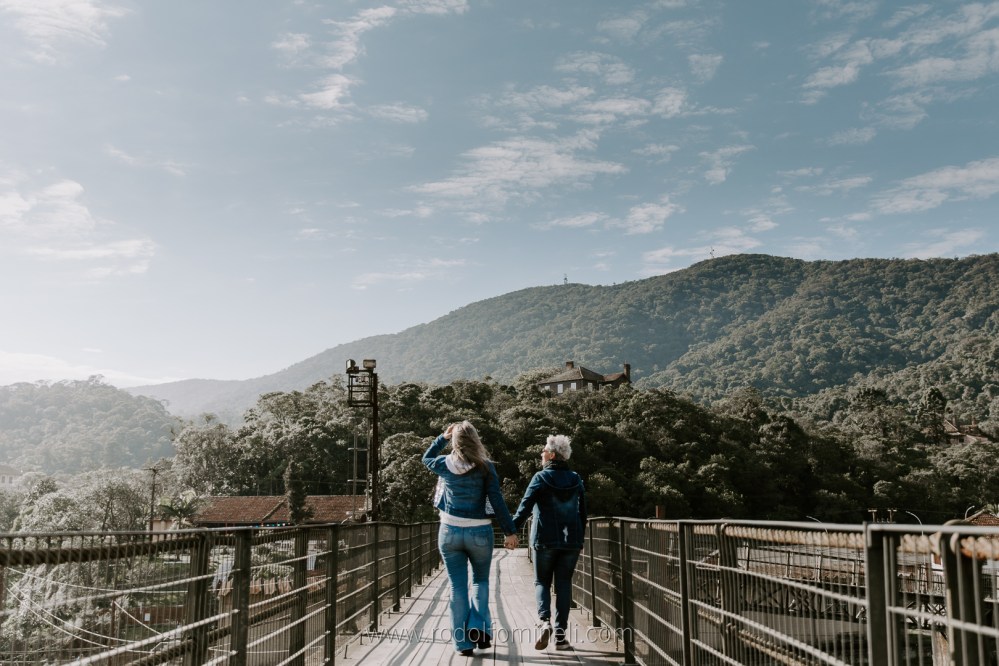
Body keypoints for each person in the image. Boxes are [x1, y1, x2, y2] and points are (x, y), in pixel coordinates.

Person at [423, 421, 519, 656]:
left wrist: (442, 438)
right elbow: (497, 500)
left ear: (455, 441)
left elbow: (426, 458)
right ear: (476, 439)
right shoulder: (486, 467)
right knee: (480, 582)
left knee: (457, 587)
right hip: (479, 533)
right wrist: (510, 531)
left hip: (449, 532)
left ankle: (463, 644)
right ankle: (478, 627)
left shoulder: (444, 464)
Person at [511, 434, 587, 651]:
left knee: (542, 582)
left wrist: (511, 530)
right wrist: (579, 538)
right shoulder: (576, 479)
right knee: (563, 584)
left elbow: (525, 507)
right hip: (571, 540)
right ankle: (560, 638)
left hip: (544, 539)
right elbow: (583, 512)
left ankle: (545, 622)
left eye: (544, 450)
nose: (541, 453)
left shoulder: (540, 478)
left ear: (552, 455)